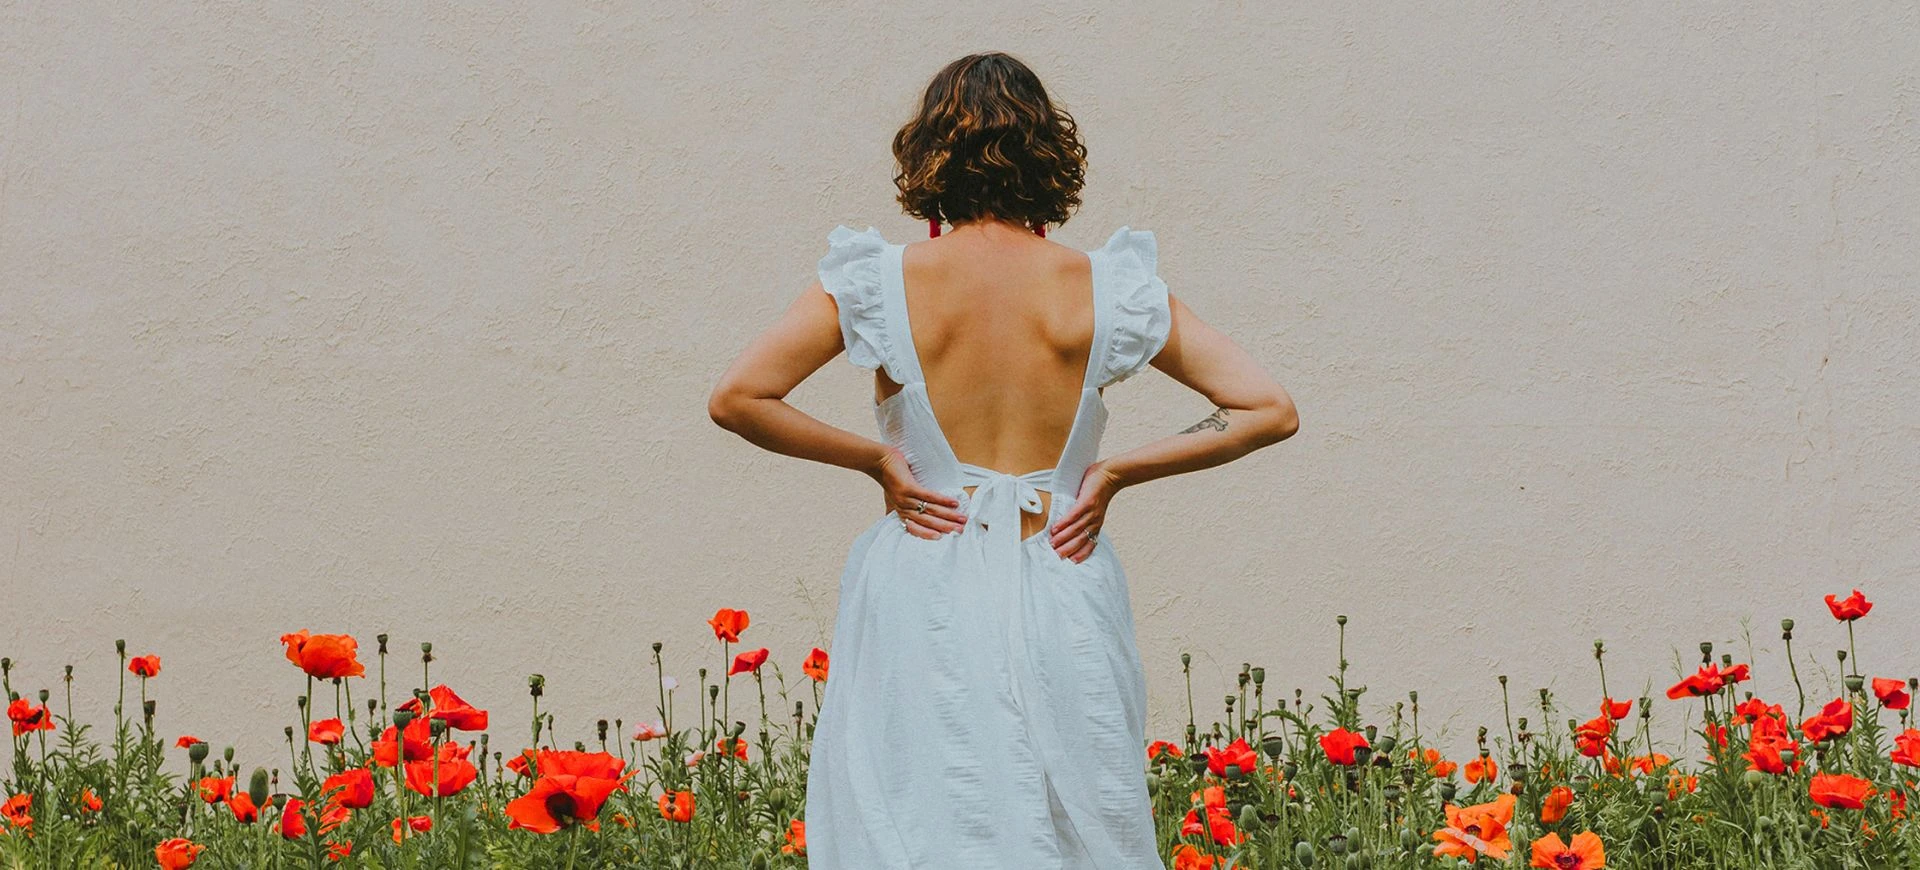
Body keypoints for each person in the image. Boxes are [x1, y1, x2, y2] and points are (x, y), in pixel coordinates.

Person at [707, 51, 1298, 870]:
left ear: (928, 153)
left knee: (918, 805)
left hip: (924, 570)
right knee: (1078, 803)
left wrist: (879, 463)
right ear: (1048, 154)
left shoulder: (877, 282)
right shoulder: (1106, 286)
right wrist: (1116, 471)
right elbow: (1267, 408)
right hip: (1061, 562)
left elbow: (739, 397)